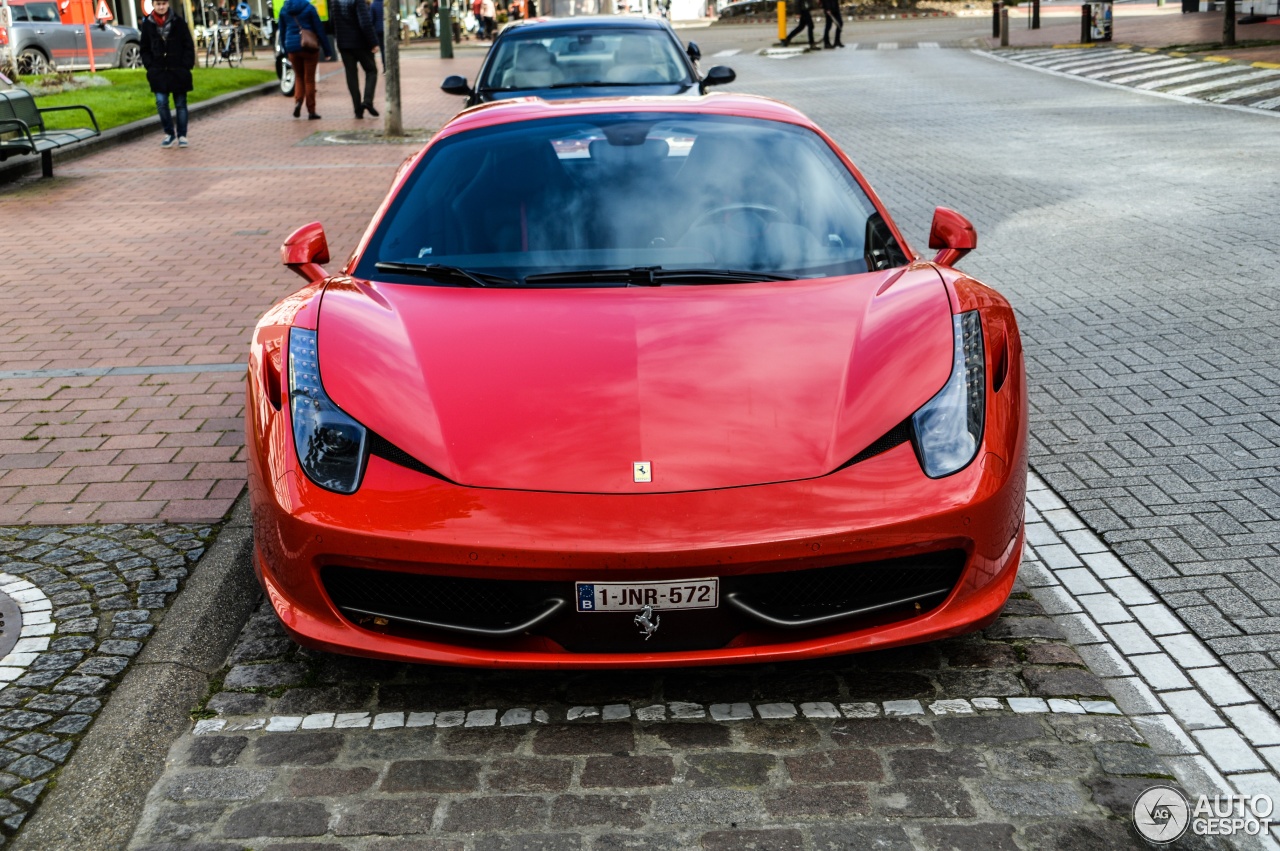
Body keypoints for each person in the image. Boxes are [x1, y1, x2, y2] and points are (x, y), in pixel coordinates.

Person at [139, 0, 196, 149]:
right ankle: (169, 133)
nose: (161, 7)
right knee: (161, 103)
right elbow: (144, 48)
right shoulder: (148, 24)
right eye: (158, 4)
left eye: (163, 3)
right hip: (158, 71)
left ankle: (182, 135)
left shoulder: (179, 22)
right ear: (153, 5)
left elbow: (188, 45)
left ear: (168, 4)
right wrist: (150, 66)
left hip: (178, 70)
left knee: (180, 104)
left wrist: (186, 65)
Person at [279, 0, 334, 120]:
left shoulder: (284, 9)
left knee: (298, 77)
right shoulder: (309, 8)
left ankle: (298, 102)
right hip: (309, 47)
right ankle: (311, 111)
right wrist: (327, 50)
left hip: (292, 48)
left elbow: (282, 32)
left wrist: (285, 49)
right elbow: (319, 29)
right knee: (309, 80)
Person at [332, 0, 381, 117]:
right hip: (360, 43)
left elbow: (332, 22)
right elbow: (365, 22)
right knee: (371, 70)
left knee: (351, 75)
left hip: (344, 44)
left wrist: (338, 39)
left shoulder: (334, 1)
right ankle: (367, 101)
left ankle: (357, 109)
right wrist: (373, 42)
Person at [370, 0, 385, 71]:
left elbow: (372, 19)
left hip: (378, 29)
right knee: (385, 49)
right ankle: (387, 66)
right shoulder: (385, 3)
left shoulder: (373, 5)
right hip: (386, 28)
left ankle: (384, 67)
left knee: (382, 49)